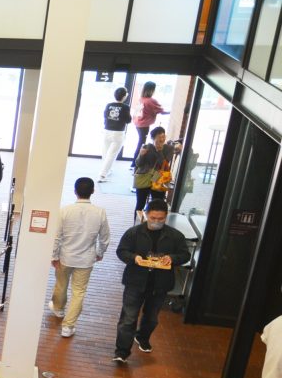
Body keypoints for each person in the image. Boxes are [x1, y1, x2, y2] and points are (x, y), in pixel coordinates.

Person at [112, 199, 190, 364]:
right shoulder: (134, 233)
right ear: (146, 215)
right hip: (135, 281)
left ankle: (142, 337)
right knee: (128, 318)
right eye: (153, 218)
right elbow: (121, 251)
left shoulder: (175, 236)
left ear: (166, 217)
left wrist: (172, 258)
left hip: (160, 284)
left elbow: (185, 255)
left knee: (152, 317)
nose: (156, 221)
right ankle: (122, 352)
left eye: (160, 219)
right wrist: (134, 258)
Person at [48, 177, 110, 338]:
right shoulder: (100, 212)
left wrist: (54, 255)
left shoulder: (65, 210)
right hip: (86, 259)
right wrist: (100, 252)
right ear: (93, 191)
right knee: (79, 292)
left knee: (61, 284)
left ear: (75, 191)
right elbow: (104, 237)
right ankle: (68, 326)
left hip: (65, 256)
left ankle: (58, 309)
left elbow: (57, 236)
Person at [132, 127, 169, 222]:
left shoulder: (166, 149)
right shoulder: (147, 147)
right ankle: (136, 224)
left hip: (157, 178)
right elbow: (138, 163)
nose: (162, 139)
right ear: (153, 138)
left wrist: (159, 150)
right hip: (144, 177)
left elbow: (163, 163)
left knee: (157, 204)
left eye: (163, 136)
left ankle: (153, 223)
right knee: (140, 203)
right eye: (159, 137)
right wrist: (141, 155)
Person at [97, 87, 132, 182]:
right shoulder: (125, 107)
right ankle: (102, 175)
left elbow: (105, 116)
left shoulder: (109, 105)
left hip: (107, 131)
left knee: (105, 153)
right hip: (118, 133)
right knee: (111, 155)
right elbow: (128, 120)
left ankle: (106, 171)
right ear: (124, 96)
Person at [131, 81, 166, 168]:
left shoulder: (141, 99)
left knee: (141, 142)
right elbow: (161, 111)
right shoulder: (151, 101)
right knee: (141, 143)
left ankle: (135, 162)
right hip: (144, 125)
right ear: (152, 90)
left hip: (138, 123)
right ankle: (135, 163)